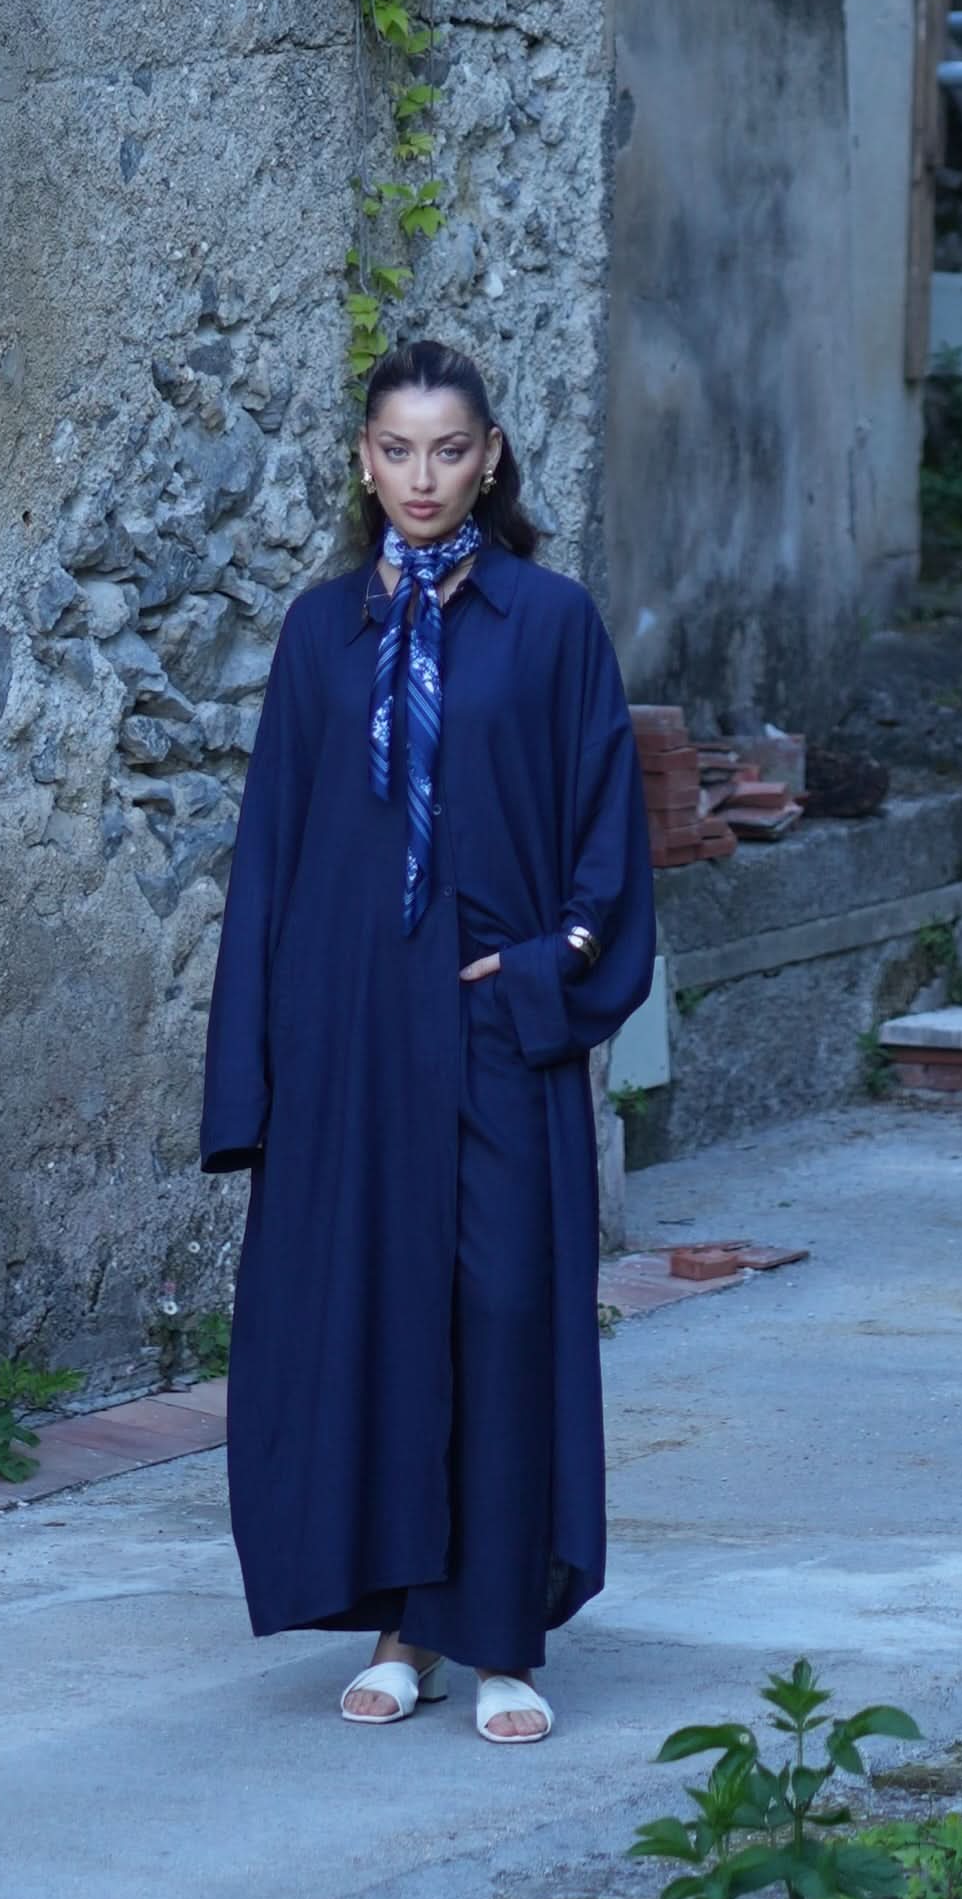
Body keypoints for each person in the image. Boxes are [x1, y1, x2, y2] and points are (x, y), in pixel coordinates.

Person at [198, 334, 656, 1743]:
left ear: (490, 457)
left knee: (504, 1317)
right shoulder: (320, 634)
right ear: (362, 461)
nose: (422, 476)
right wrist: (256, 1076)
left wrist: (542, 969)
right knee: (379, 1325)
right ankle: (404, 1628)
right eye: (396, 449)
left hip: (492, 1028)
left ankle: (501, 1635)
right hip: (350, 1043)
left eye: (448, 449)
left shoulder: (551, 624)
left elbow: (609, 838)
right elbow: (271, 857)